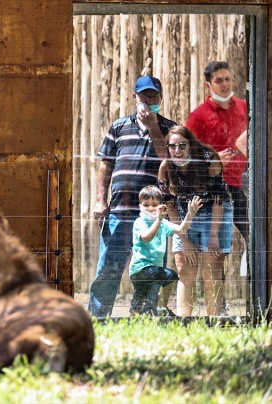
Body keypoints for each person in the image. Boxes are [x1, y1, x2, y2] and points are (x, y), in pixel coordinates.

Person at [88, 76, 177, 317]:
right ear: (134, 97)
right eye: (144, 96)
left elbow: (167, 162)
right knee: (108, 268)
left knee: (150, 269)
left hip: (152, 216)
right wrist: (100, 200)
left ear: (160, 98)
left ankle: (144, 315)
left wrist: (152, 128)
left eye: (153, 96)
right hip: (119, 211)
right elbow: (105, 164)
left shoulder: (169, 128)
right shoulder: (119, 126)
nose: (148, 101)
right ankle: (98, 319)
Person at [158, 126, 234, 316]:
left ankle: (214, 322)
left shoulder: (208, 159)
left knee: (211, 272)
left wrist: (214, 236)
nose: (177, 151)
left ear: (190, 145)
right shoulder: (166, 168)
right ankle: (185, 323)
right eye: (172, 146)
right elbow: (170, 205)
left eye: (182, 146)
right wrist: (183, 238)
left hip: (215, 213)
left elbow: (218, 198)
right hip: (185, 218)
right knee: (184, 270)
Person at [186, 61, 248, 243]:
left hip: (242, 187)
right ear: (208, 85)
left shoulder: (244, 106)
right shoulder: (198, 116)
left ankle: (256, 272)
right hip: (214, 188)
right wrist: (213, 160)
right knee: (215, 246)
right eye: (219, 81)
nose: (225, 85)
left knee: (255, 236)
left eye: (227, 79)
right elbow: (185, 155)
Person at [128, 186, 202, 317]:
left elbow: (181, 229)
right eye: (146, 205)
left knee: (139, 299)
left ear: (160, 206)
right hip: (140, 269)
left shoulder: (163, 223)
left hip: (154, 269)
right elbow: (147, 237)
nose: (150, 208)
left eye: (154, 205)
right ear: (140, 206)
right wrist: (159, 219)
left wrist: (190, 214)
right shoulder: (139, 222)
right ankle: (158, 308)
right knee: (170, 276)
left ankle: (134, 320)